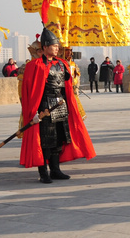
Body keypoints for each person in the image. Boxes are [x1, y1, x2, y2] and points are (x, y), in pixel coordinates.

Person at [20, 28, 95, 183]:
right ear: (45, 46)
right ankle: (43, 173)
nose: (57, 48)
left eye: (57, 46)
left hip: (60, 105)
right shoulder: (34, 65)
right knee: (46, 141)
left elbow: (66, 87)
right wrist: (33, 111)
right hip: (44, 108)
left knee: (59, 140)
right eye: (54, 46)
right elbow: (31, 91)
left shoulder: (61, 64)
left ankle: (55, 170)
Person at [61, 46, 85, 119]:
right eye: (67, 50)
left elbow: (76, 77)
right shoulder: (60, 63)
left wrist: (76, 87)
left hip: (73, 90)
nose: (69, 52)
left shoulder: (73, 64)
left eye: (70, 50)